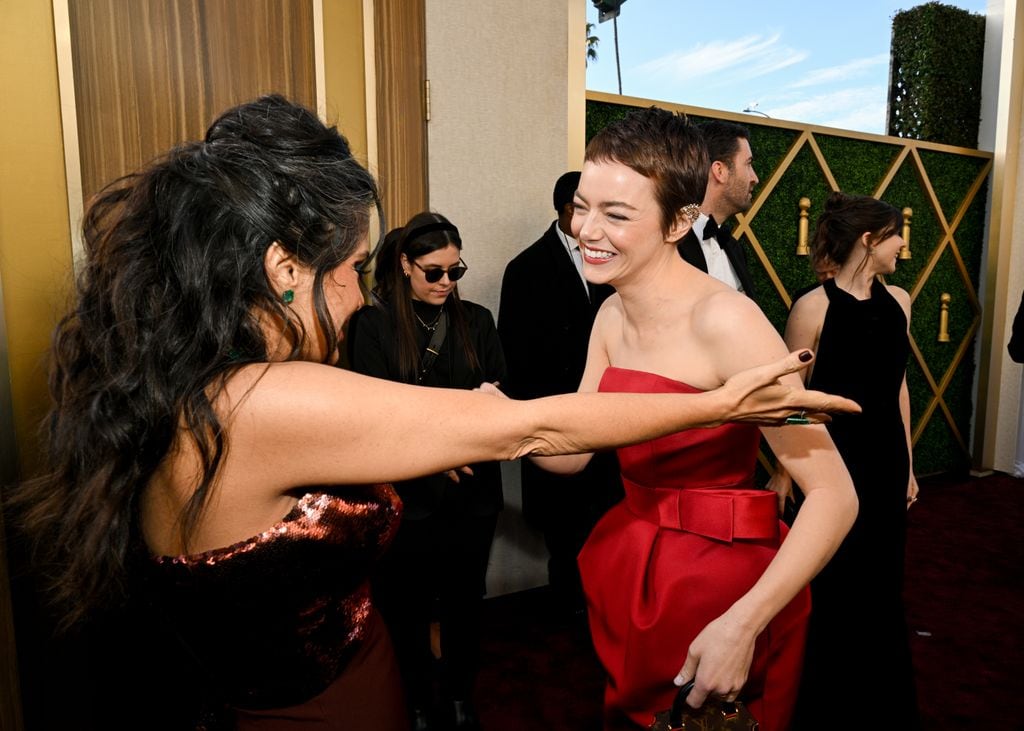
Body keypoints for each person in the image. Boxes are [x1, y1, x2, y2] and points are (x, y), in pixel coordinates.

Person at [7, 95, 856, 731]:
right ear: (283, 269)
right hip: (353, 689)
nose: (359, 296)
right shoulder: (265, 396)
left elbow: (547, 439)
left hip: (717, 572)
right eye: (353, 266)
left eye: (615, 213)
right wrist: (707, 406)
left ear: (675, 221)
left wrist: (486, 419)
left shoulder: (199, 385)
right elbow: (543, 435)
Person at [533, 107, 859, 731]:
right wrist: (499, 427)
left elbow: (834, 496)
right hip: (632, 566)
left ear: (680, 220)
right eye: (582, 206)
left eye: (617, 214)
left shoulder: (726, 321)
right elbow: (571, 453)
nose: (586, 230)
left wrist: (744, 623)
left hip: (723, 584)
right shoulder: (609, 316)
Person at [347, 211, 505, 730]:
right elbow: (373, 411)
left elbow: (497, 400)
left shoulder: (477, 321)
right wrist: (443, 445)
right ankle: (414, 702)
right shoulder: (372, 326)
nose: (446, 283)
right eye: (434, 272)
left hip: (472, 495)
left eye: (455, 272)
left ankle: (460, 698)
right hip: (406, 497)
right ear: (405, 264)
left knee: (465, 602)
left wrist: (460, 425)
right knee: (405, 607)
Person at [770, 191, 921, 729]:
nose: (903, 244)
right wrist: (786, 471)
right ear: (870, 239)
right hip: (829, 464)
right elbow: (791, 401)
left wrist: (906, 463)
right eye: (897, 234)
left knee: (882, 582)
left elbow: (898, 384)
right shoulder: (813, 307)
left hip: (883, 460)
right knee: (832, 585)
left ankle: (878, 702)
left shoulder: (900, 300)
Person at [497, 171, 623, 618]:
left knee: (611, 528)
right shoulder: (525, 268)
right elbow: (515, 357)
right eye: (587, 209)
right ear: (568, 211)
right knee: (565, 537)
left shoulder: (613, 262)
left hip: (610, 423)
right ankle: (569, 626)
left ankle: (605, 616)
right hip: (559, 425)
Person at [676, 120, 758, 298]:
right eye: (748, 164)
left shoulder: (735, 248)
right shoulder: (669, 245)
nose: (755, 178)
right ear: (719, 171)